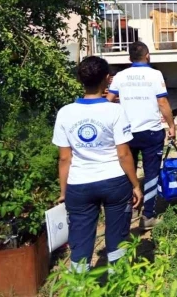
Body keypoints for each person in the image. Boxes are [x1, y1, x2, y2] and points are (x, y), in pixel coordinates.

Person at [53, 56, 141, 272]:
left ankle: (79, 288)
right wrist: (135, 184)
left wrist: (64, 191)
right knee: (118, 236)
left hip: (79, 184)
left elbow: (65, 158)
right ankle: (119, 284)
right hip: (114, 183)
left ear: (80, 80)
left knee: (80, 240)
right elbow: (123, 154)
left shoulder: (65, 113)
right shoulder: (115, 111)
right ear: (107, 79)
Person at [107, 41, 176, 230]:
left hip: (125, 133)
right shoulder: (155, 75)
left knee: (127, 172)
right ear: (147, 56)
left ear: (129, 58)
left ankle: (127, 212)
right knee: (151, 173)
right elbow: (162, 102)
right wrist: (171, 125)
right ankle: (148, 216)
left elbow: (109, 101)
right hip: (151, 132)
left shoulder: (120, 76)